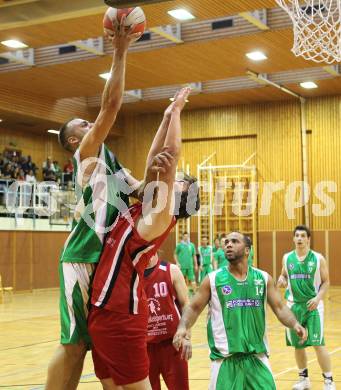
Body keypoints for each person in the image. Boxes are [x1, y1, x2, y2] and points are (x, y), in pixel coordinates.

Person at [45, 18, 146, 390]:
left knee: (97, 344)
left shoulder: (111, 160)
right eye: (84, 125)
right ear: (75, 142)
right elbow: (112, 106)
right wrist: (121, 49)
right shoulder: (87, 152)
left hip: (109, 262)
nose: (92, 126)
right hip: (83, 257)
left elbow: (143, 190)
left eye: (90, 124)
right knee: (73, 346)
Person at [88, 87, 199, 390]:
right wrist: (164, 117)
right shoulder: (146, 205)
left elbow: (170, 155)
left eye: (179, 184)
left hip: (122, 316)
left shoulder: (162, 216)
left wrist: (176, 111)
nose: (171, 179)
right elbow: (155, 158)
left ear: (182, 201)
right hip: (100, 309)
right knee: (110, 386)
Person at [173, 231, 307, 390]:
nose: (228, 244)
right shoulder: (213, 280)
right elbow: (193, 308)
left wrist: (295, 324)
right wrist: (182, 327)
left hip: (257, 358)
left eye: (235, 241)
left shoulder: (263, 279)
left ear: (247, 250)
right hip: (225, 361)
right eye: (227, 242)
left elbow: (280, 307)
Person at [277, 225, 335, 390]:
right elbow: (284, 275)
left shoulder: (318, 259)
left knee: (318, 343)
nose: (300, 238)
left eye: (303, 236)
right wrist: (282, 280)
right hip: (293, 307)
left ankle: (329, 381)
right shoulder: (287, 258)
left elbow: (326, 282)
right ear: (293, 239)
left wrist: (318, 298)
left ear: (308, 239)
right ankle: (304, 379)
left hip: (312, 307)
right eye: (297, 236)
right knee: (299, 345)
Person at [144, 252, 191, 390]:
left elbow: (186, 305)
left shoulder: (171, 270)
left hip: (173, 343)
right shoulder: (132, 275)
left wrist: (187, 336)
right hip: (144, 347)